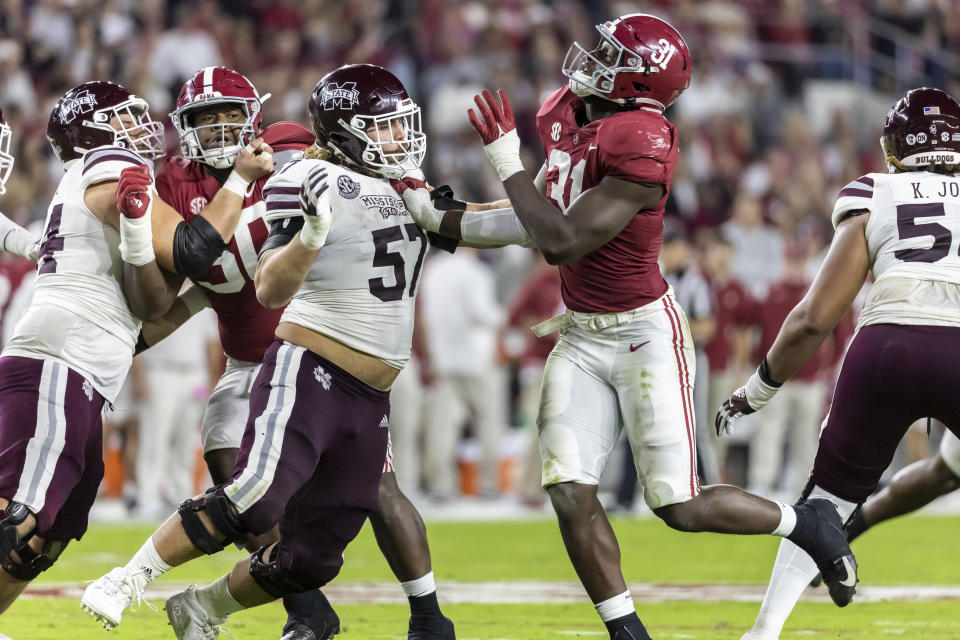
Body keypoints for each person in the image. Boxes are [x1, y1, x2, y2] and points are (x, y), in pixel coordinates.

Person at [395, 14, 858, 639]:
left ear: (639, 83)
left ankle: (806, 523)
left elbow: (559, 240)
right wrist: (440, 218)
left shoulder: (645, 138)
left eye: (612, 55)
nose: (592, 60)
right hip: (581, 335)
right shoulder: (573, 115)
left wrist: (504, 159)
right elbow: (532, 218)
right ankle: (626, 630)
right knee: (568, 491)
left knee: (679, 506)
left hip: (643, 333)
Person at [82, 66, 457, 640]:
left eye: (232, 114)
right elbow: (199, 285)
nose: (221, 128)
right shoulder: (174, 185)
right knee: (232, 467)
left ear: (255, 116)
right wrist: (109, 351)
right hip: (247, 359)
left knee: (379, 490)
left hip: (321, 351)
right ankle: (305, 609)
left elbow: (365, 169)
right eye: (206, 119)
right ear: (184, 128)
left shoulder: (292, 149)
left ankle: (427, 615)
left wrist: (418, 197)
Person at [715, 86, 960, 640]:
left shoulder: (876, 192)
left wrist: (757, 389)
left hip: (887, 346)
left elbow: (814, 318)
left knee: (822, 502)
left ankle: (765, 630)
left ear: (895, 148)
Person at [0, 81, 183, 613]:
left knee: (43, 537)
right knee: (16, 519)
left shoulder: (81, 175)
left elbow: (149, 303)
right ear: (94, 129)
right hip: (59, 361)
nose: (138, 129)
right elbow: (178, 251)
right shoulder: (108, 163)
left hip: (80, 368)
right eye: (124, 118)